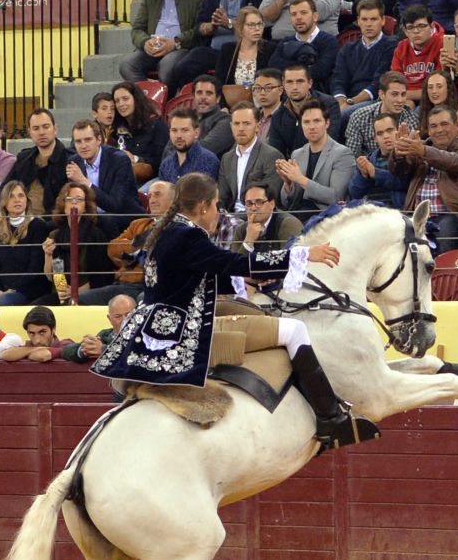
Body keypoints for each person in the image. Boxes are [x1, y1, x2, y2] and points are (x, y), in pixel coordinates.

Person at [90, 171, 379, 452]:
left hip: (153, 329)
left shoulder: (165, 231)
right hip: (181, 336)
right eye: (216, 204)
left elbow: (197, 276)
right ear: (203, 206)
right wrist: (302, 255)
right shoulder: (187, 236)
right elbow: (231, 262)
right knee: (295, 330)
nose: (218, 211)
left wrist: (245, 279)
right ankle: (331, 417)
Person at [391, 104, 458, 252]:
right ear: (428, 130)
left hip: (451, 213)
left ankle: (446, 275)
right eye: (433, 126)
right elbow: (400, 172)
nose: (439, 130)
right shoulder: (422, 147)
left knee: (445, 231)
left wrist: (424, 151)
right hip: (415, 215)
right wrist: (399, 154)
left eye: (444, 124)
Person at [171, 0, 267, 90]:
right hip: (214, 50)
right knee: (183, 67)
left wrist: (228, 23)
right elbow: (199, 26)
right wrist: (210, 26)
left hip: (243, 50)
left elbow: (259, 26)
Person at [118, 0, 207, 92]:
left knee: (167, 66)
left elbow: (199, 30)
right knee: (127, 64)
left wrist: (176, 42)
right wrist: (145, 42)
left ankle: (166, 105)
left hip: (181, 47)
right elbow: (137, 28)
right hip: (153, 47)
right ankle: (147, 102)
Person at [277, 99, 355, 219]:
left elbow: (336, 197)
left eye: (317, 121)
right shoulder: (297, 154)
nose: (311, 127)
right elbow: (286, 202)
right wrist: (288, 183)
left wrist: (300, 179)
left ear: (327, 123)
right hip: (296, 215)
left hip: (325, 217)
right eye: (306, 122)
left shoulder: (343, 154)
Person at [36, 182, 112, 304]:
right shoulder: (55, 235)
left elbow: (101, 277)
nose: (74, 202)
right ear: (63, 204)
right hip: (61, 293)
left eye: (79, 199)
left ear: (86, 206)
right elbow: (50, 276)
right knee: (36, 307)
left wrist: (76, 291)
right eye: (69, 199)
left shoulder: (96, 235)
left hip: (88, 294)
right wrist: (48, 255)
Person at [67, 119, 144, 236]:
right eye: (78, 141)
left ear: (99, 140)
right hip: (92, 218)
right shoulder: (74, 161)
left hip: (124, 218)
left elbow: (115, 205)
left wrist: (83, 181)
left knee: (103, 221)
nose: (83, 146)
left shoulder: (119, 160)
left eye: (88, 140)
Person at [0, 180, 49, 305]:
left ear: (27, 200)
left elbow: (36, 268)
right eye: (11, 196)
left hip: (29, 290)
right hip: (1, 290)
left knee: (4, 301)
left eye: (21, 196)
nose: (17, 200)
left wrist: (12, 290)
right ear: (4, 202)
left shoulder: (37, 226)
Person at [330, 0, 397, 119]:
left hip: (375, 100)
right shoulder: (347, 49)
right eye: (364, 19)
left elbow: (378, 83)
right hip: (347, 101)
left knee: (340, 116)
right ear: (358, 21)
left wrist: (350, 103)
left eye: (373, 19)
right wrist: (341, 102)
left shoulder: (391, 45)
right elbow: (338, 81)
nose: (369, 24)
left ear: (382, 21)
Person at [4, 108, 71, 218]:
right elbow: (6, 189)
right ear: (30, 132)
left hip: (52, 223)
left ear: (55, 129)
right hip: (20, 220)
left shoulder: (69, 159)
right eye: (36, 128)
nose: (41, 132)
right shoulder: (23, 158)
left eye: (46, 127)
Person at [218, 102, 283, 211]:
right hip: (231, 217)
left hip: (257, 215)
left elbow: (270, 198)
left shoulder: (271, 156)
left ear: (257, 127)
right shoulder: (227, 158)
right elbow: (222, 197)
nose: (241, 128)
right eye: (236, 123)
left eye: (246, 123)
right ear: (231, 126)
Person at [267, 63, 341, 157]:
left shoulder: (328, 105)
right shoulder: (278, 115)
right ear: (283, 84)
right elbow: (276, 153)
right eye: (289, 82)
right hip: (291, 167)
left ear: (310, 83)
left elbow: (330, 142)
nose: (295, 87)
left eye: (300, 81)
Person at [270, 0, 338, 93]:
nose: (298, 18)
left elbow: (321, 71)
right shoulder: (285, 42)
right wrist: (307, 66)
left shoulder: (329, 41)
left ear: (315, 16)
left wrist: (289, 68)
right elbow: (274, 66)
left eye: (303, 13)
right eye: (294, 14)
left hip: (319, 94)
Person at [346, 69, 420, 157]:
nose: (400, 100)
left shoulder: (412, 121)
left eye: (403, 94)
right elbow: (351, 156)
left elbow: (414, 159)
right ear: (382, 94)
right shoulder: (360, 117)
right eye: (394, 94)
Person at [110, 81, 170, 185]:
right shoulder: (116, 130)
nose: (121, 104)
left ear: (136, 100)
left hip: (153, 178)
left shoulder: (157, 125)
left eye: (125, 99)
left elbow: (161, 161)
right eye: (117, 101)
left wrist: (135, 159)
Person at [348, 111, 409, 205]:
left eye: (389, 130)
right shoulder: (369, 160)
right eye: (380, 133)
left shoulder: (408, 156)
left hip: (397, 211)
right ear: (375, 138)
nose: (385, 136)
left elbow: (404, 183)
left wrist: (375, 173)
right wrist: (363, 175)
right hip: (370, 211)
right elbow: (355, 193)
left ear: (398, 131)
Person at [390, 4, 445, 103]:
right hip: (404, 98)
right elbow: (395, 81)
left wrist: (402, 94)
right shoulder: (401, 47)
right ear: (405, 31)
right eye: (410, 27)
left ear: (432, 26)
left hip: (432, 100)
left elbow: (439, 89)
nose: (416, 31)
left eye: (421, 26)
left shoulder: (442, 44)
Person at [231, 181, 303, 253]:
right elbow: (234, 263)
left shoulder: (289, 224)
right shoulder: (241, 230)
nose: (253, 208)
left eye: (259, 202)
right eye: (249, 203)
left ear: (272, 204)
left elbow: (290, 260)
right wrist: (248, 242)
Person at [63, 294, 138, 362]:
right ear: (110, 319)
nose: (124, 320)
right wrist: (85, 350)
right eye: (118, 316)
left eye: (129, 315)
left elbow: (138, 355)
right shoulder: (105, 335)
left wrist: (104, 350)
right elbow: (65, 351)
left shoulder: (146, 335)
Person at [215, 6, 277, 89]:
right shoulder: (228, 50)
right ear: (240, 28)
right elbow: (219, 83)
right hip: (233, 100)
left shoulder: (270, 49)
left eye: (260, 24)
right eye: (251, 25)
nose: (257, 29)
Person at [160, 109, 221, 183]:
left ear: (196, 133)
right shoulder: (166, 164)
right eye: (174, 130)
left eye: (185, 130)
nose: (179, 136)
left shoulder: (208, 160)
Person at [0, 306, 75, 362]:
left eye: (42, 332)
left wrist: (24, 354)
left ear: (53, 329)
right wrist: (36, 349)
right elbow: (4, 355)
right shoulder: (29, 346)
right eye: (31, 333)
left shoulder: (66, 345)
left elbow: (43, 356)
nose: (37, 340)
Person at [416, 69, 458, 136]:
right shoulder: (419, 112)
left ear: (448, 89)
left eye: (439, 87)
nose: (434, 91)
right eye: (430, 87)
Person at [253, 68, 285, 143]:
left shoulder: (287, 117)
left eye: (268, 88)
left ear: (280, 90)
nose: (262, 93)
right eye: (258, 88)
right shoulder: (252, 116)